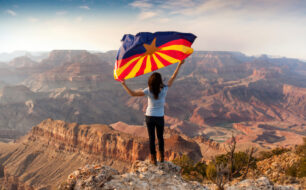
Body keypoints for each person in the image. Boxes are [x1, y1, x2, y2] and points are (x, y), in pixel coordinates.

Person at [120, 60, 185, 165]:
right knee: (160, 138)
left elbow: (132, 94)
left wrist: (124, 84)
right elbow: (173, 77)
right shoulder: (164, 89)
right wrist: (179, 65)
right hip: (159, 117)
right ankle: (162, 157)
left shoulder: (148, 90)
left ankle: (153, 159)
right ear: (160, 81)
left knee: (151, 138)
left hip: (149, 117)